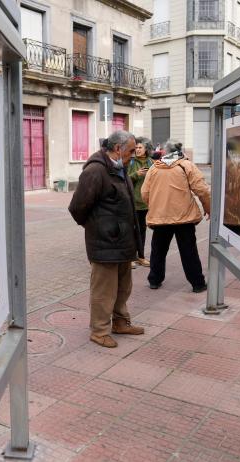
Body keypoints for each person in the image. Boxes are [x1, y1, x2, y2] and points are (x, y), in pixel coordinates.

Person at [68, 130, 145, 348]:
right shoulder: (95, 171)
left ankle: (120, 322)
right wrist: (98, 227)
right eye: (131, 150)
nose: (134, 155)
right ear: (118, 149)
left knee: (123, 287)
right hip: (105, 243)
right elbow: (77, 207)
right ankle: (99, 331)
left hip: (123, 242)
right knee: (104, 291)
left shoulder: (121, 168)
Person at [141, 140, 210, 293]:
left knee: (158, 250)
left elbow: (144, 193)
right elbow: (202, 190)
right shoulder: (187, 166)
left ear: (165, 152)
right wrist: (208, 208)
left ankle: (154, 280)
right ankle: (198, 283)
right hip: (184, 218)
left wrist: (156, 205)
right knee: (189, 251)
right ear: (180, 151)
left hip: (161, 217)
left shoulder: (154, 168)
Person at [128, 137, 153, 268]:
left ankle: (141, 257)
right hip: (133, 203)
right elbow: (125, 180)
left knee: (142, 231)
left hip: (146, 204)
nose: (137, 150)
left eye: (140, 147)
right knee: (132, 231)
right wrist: (136, 174)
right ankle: (131, 258)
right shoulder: (131, 162)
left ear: (146, 149)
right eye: (136, 147)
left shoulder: (152, 163)